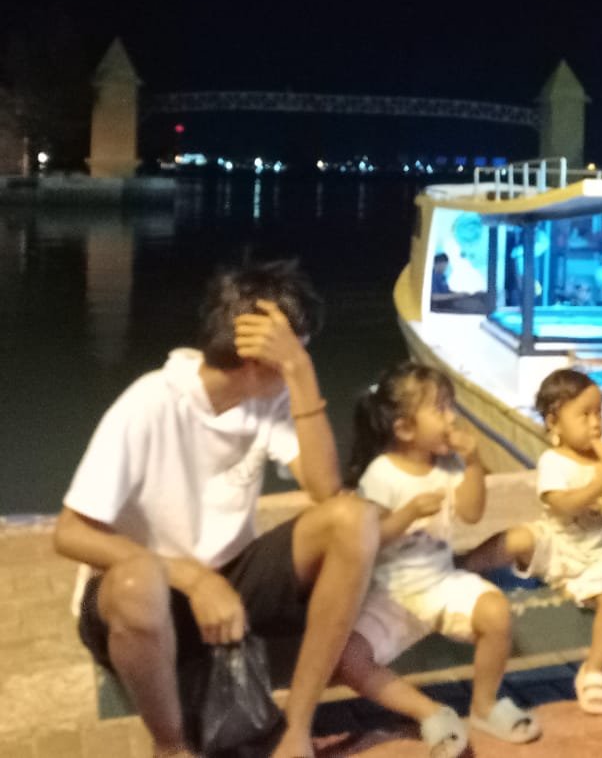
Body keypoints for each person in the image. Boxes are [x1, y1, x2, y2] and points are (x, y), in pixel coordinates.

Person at [53, 259, 377, 758]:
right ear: (258, 358)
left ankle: (295, 729)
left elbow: (326, 489)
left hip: (230, 584)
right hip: (146, 600)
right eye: (296, 350)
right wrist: (193, 578)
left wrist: (303, 378)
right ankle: (171, 746)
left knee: (354, 521)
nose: (300, 361)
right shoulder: (150, 402)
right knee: (139, 582)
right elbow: (70, 533)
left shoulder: (268, 401)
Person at [339, 362, 542, 751]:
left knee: (496, 611)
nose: (452, 418)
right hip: (390, 594)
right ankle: (429, 712)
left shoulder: (447, 465)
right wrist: (408, 515)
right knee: (348, 657)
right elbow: (369, 538)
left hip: (441, 581)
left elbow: (471, 512)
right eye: (440, 409)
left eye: (451, 406)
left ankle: (484, 706)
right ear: (404, 429)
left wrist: (475, 463)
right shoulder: (381, 474)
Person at [462, 369, 602, 715]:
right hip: (556, 541)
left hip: (596, 553)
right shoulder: (554, 461)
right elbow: (564, 505)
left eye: (599, 412)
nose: (595, 423)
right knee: (516, 538)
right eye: (584, 415)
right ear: (554, 423)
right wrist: (601, 476)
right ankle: (465, 565)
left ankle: (595, 670)